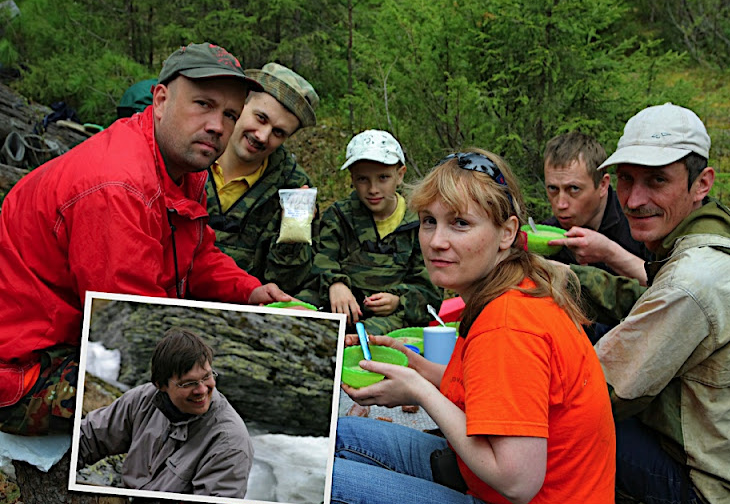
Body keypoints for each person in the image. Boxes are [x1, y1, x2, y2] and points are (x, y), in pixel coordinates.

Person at [253, 149, 616, 504]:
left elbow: (517, 480)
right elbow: (504, 396)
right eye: (429, 221)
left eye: (460, 223)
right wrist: (422, 369)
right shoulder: (509, 290)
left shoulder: (509, 325)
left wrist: (420, 390)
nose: (436, 241)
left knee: (307, 485)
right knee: (340, 435)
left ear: (506, 232)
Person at [0, 42, 295, 438]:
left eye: (229, 114)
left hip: (69, 338)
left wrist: (250, 291)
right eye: (203, 104)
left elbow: (199, 253)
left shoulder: (179, 162)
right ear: (159, 99)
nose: (217, 126)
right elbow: (137, 321)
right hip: (23, 372)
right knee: (187, 409)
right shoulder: (119, 188)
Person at [575, 103, 730, 504]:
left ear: (702, 184)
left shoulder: (693, 280)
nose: (635, 200)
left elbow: (602, 393)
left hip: (715, 491)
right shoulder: (723, 238)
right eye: (626, 178)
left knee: (561, 420)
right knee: (590, 338)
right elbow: (646, 305)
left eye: (657, 180)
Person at [78, 328, 253, 496]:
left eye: (207, 377)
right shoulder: (143, 399)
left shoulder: (230, 443)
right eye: (188, 383)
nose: (202, 390)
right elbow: (88, 437)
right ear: (161, 385)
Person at [305, 129, 442, 335]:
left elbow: (429, 289)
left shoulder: (420, 222)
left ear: (400, 175)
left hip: (393, 315)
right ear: (352, 178)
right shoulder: (340, 216)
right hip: (343, 304)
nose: (373, 189)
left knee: (368, 337)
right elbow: (323, 260)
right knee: (300, 315)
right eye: (363, 179)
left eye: (383, 177)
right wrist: (336, 284)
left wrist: (398, 300)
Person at [206, 63, 320, 294]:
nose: (262, 136)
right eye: (260, 118)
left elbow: (287, 285)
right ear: (242, 104)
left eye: (278, 132)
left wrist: (293, 235)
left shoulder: (293, 188)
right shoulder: (193, 154)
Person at [541, 131, 648, 285]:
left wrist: (609, 253)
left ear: (603, 185)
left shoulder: (639, 220)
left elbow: (669, 287)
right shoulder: (547, 233)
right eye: (552, 189)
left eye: (574, 189)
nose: (560, 204)